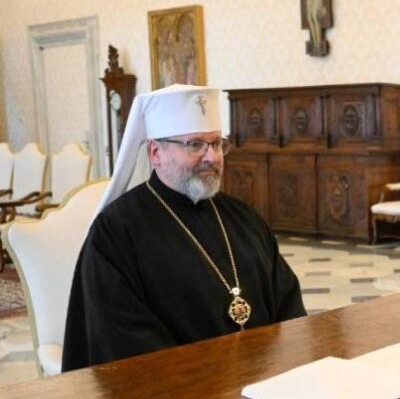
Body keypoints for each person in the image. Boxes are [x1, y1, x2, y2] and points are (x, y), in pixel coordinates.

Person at [62, 85, 306, 371]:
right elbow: (125, 343)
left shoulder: (245, 220)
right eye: (195, 145)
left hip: (267, 386)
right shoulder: (116, 233)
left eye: (216, 144)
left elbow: (290, 310)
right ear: (156, 152)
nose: (212, 157)